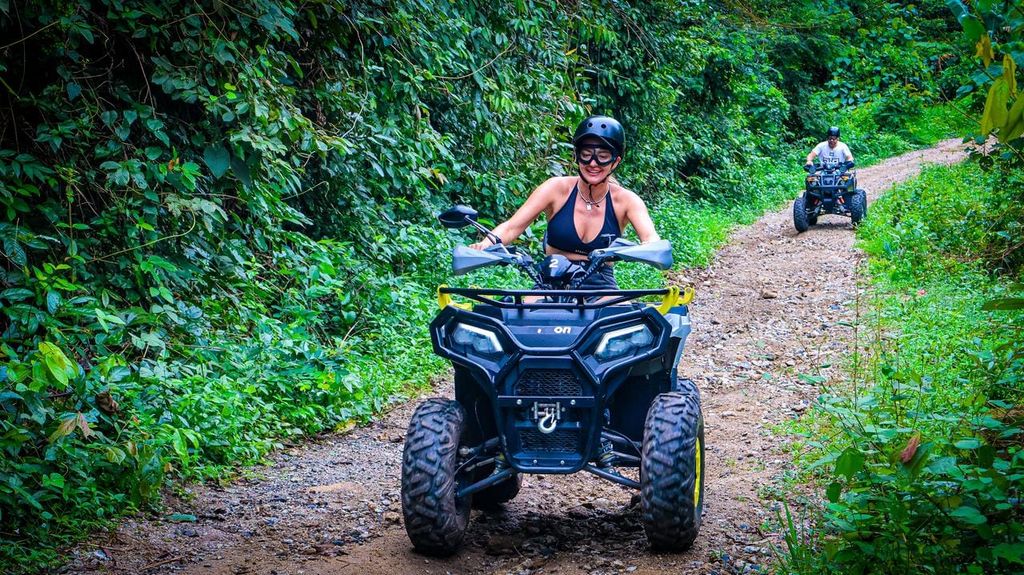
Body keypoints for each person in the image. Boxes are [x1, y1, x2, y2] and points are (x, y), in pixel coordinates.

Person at [468, 115, 660, 289]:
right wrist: (485, 245)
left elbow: (651, 239)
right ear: (576, 156)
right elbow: (511, 227)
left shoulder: (626, 200)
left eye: (602, 157)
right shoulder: (555, 189)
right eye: (587, 155)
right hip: (551, 278)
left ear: (615, 161)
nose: (593, 163)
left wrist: (645, 250)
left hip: (600, 282)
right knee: (520, 321)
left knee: (626, 325)